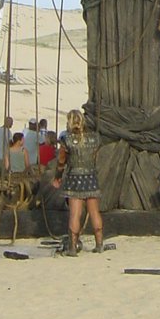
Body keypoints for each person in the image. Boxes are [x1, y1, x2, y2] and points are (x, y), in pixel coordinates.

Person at [51, 109, 104, 256]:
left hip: (74, 178)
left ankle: (73, 248)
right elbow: (95, 157)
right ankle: (99, 244)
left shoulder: (67, 140)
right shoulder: (94, 138)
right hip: (91, 177)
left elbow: (61, 162)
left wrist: (57, 177)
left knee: (75, 214)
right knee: (94, 212)